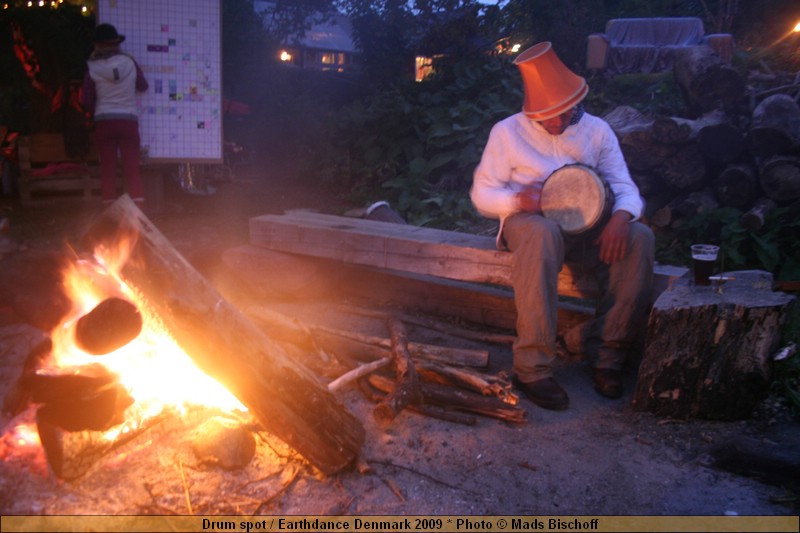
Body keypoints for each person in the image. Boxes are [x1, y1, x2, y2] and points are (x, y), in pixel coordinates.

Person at [470, 42, 654, 410]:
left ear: (575, 103)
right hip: (531, 225)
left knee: (640, 238)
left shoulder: (597, 131)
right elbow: (482, 193)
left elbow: (623, 185)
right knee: (542, 232)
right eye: (545, 116)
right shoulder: (507, 132)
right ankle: (532, 368)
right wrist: (517, 201)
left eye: (562, 113)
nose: (555, 122)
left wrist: (622, 217)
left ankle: (608, 356)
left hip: (588, 229)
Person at [81, 23, 148, 209]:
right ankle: (138, 216)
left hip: (104, 122)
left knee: (108, 170)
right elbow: (143, 85)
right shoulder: (130, 63)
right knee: (132, 170)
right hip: (128, 121)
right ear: (116, 44)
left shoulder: (92, 68)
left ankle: (109, 214)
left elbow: (86, 99)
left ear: (97, 45)